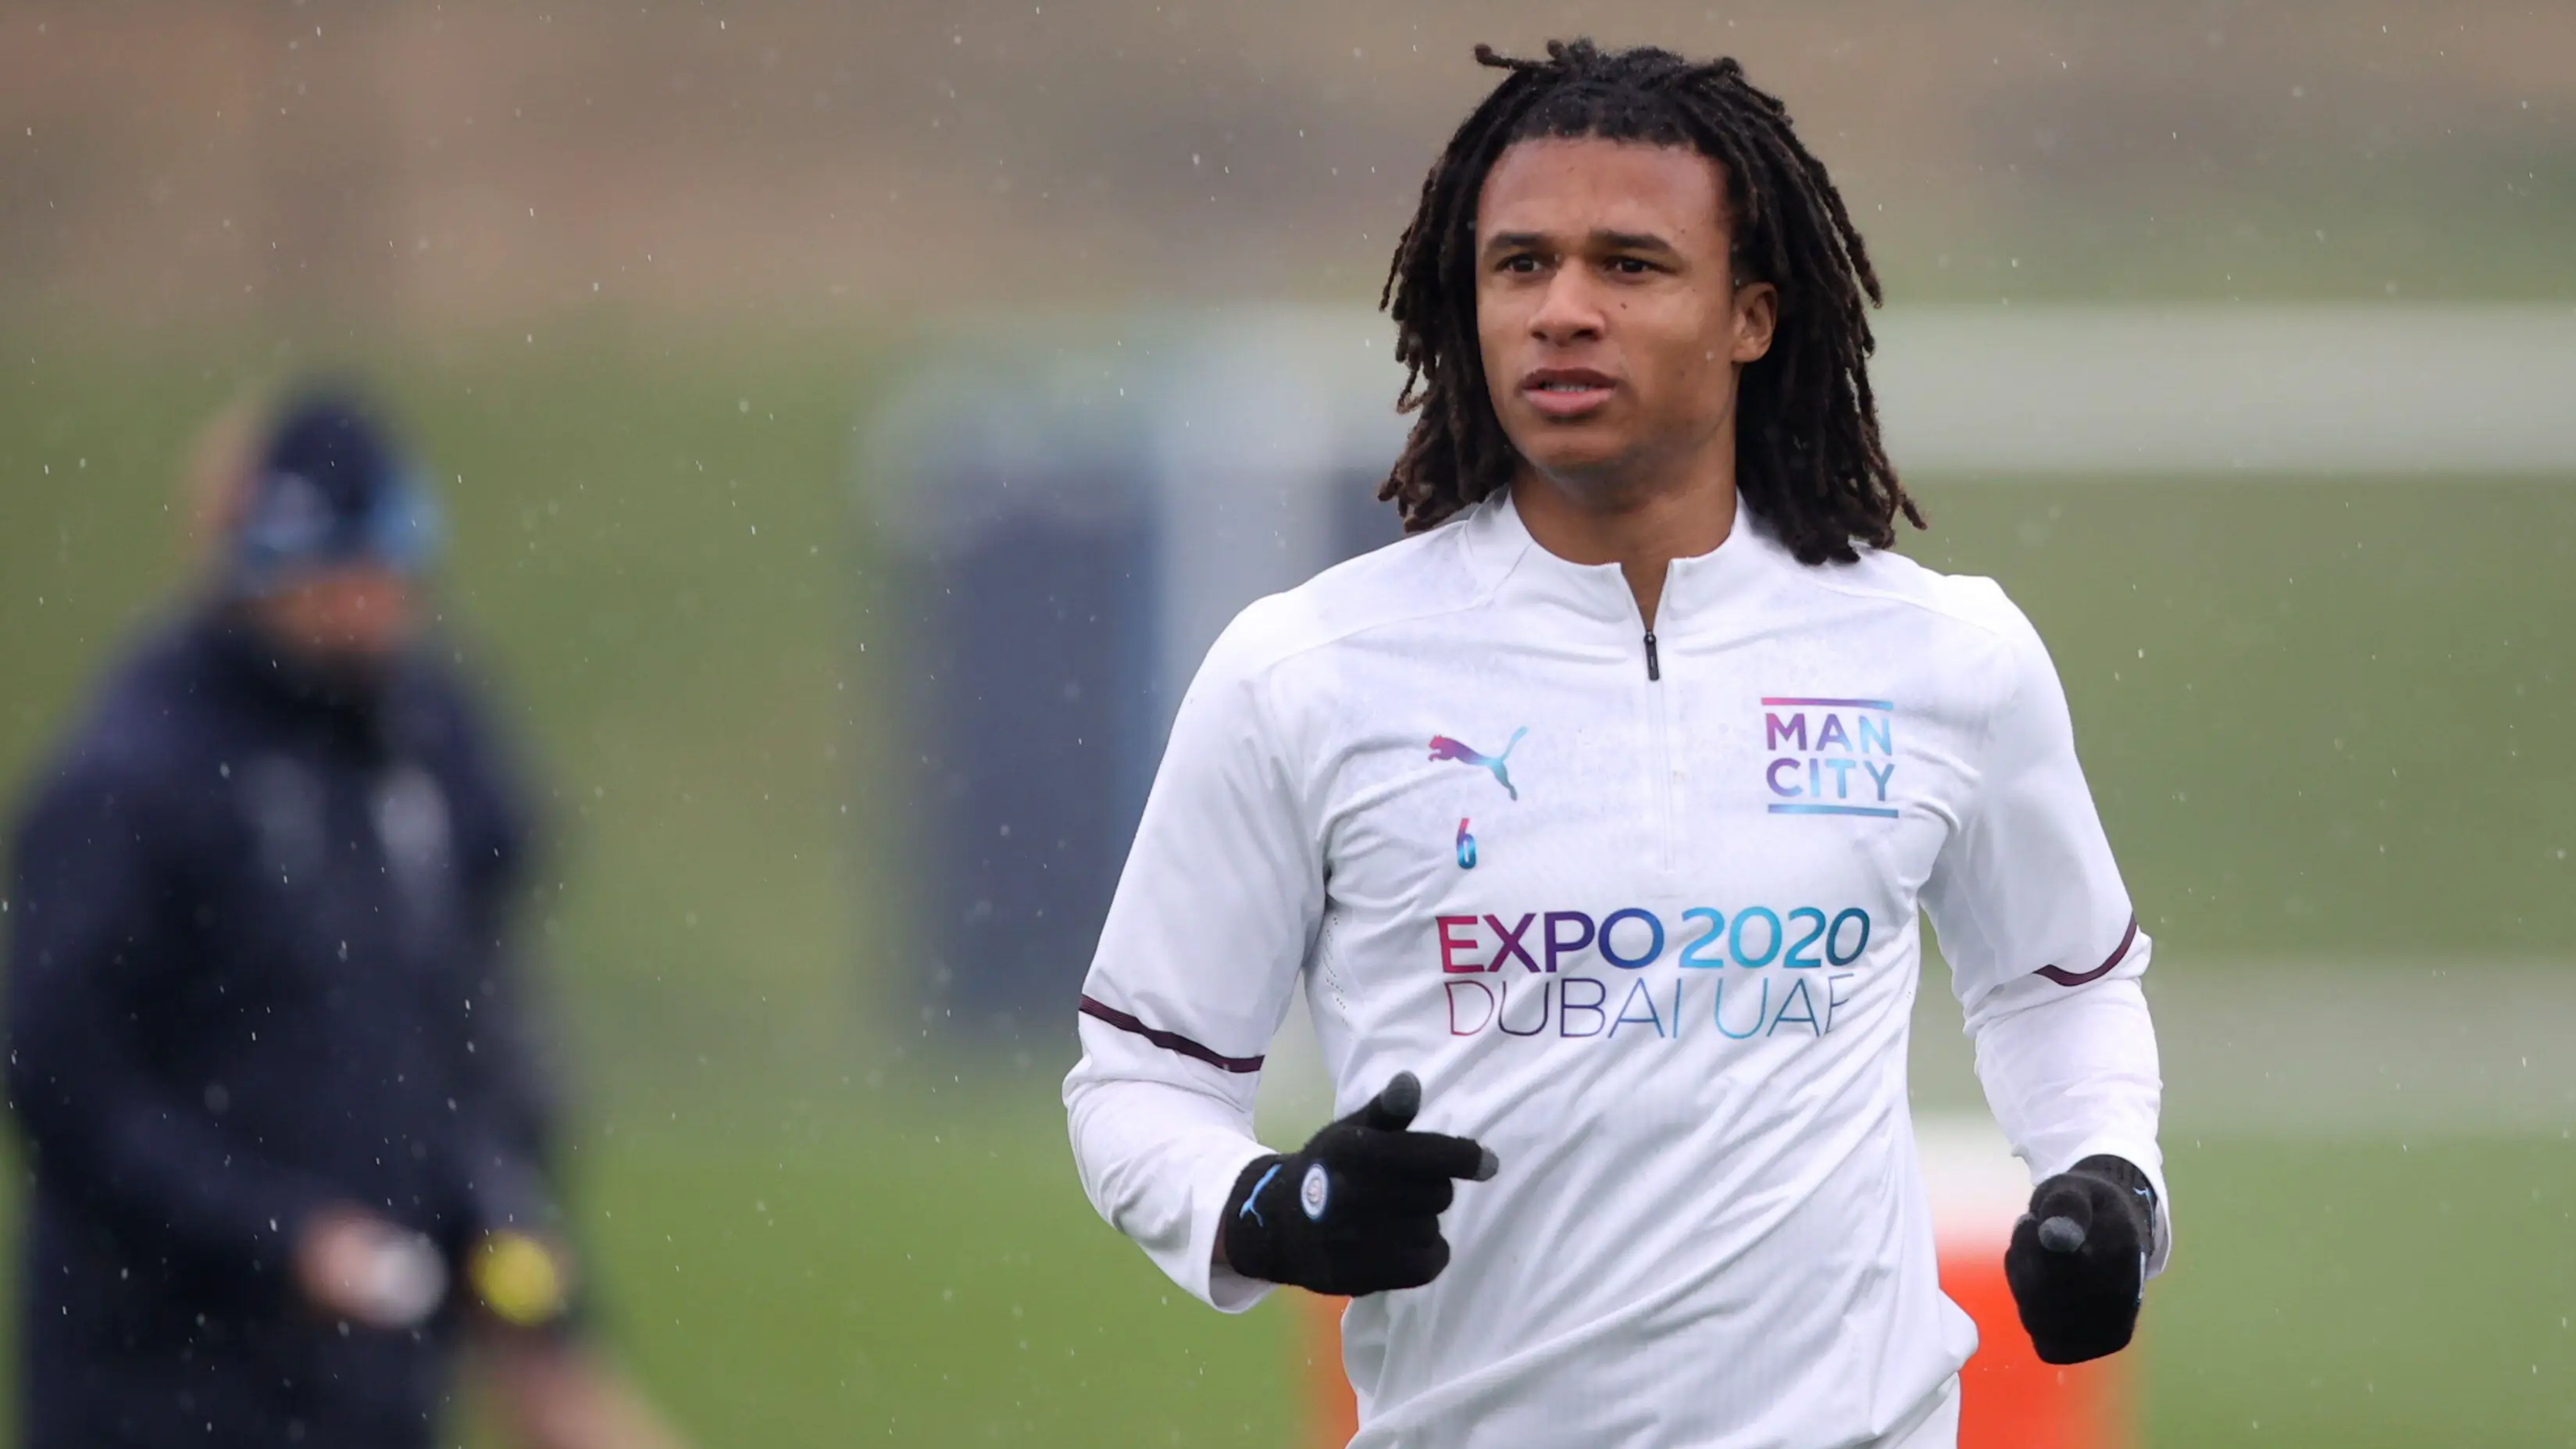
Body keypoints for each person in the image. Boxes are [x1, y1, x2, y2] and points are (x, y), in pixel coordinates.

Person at [1065, 40, 2167, 1448]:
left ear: (1751, 316)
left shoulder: (1947, 656)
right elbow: (1141, 1081)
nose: (1560, 311)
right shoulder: (1305, 672)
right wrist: (1269, 1208)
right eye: (1518, 265)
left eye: (1629, 266)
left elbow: (2057, 986)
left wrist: (2108, 1183)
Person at [4, 388, 686, 1449]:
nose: (376, 611)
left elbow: (436, 1043)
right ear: (264, 568)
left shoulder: (389, 749)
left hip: (360, 1390)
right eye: (342, 578)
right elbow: (57, 1071)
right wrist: (274, 1237)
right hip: (161, 1392)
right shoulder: (135, 775)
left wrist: (516, 1261)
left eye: (391, 578)